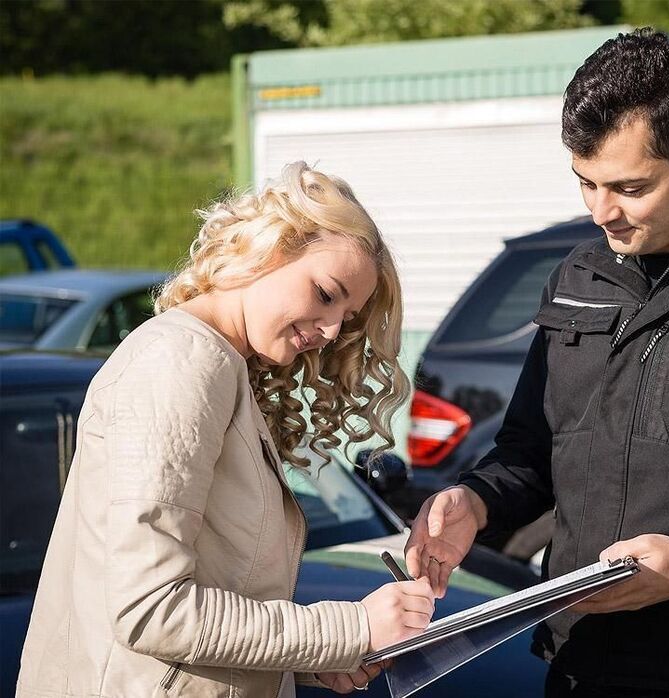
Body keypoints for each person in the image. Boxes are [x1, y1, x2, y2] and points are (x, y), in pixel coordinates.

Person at [405, 28, 669, 697]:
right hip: (579, 661)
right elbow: (530, 450)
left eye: (629, 187)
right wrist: (473, 501)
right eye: (585, 182)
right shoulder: (576, 278)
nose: (602, 212)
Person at [17, 162, 436, 698]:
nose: (331, 331)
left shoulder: (221, 365)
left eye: (347, 318)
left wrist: (316, 659)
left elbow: (206, 602)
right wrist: (351, 627)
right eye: (326, 294)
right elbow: (151, 610)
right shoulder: (182, 360)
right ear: (270, 248)